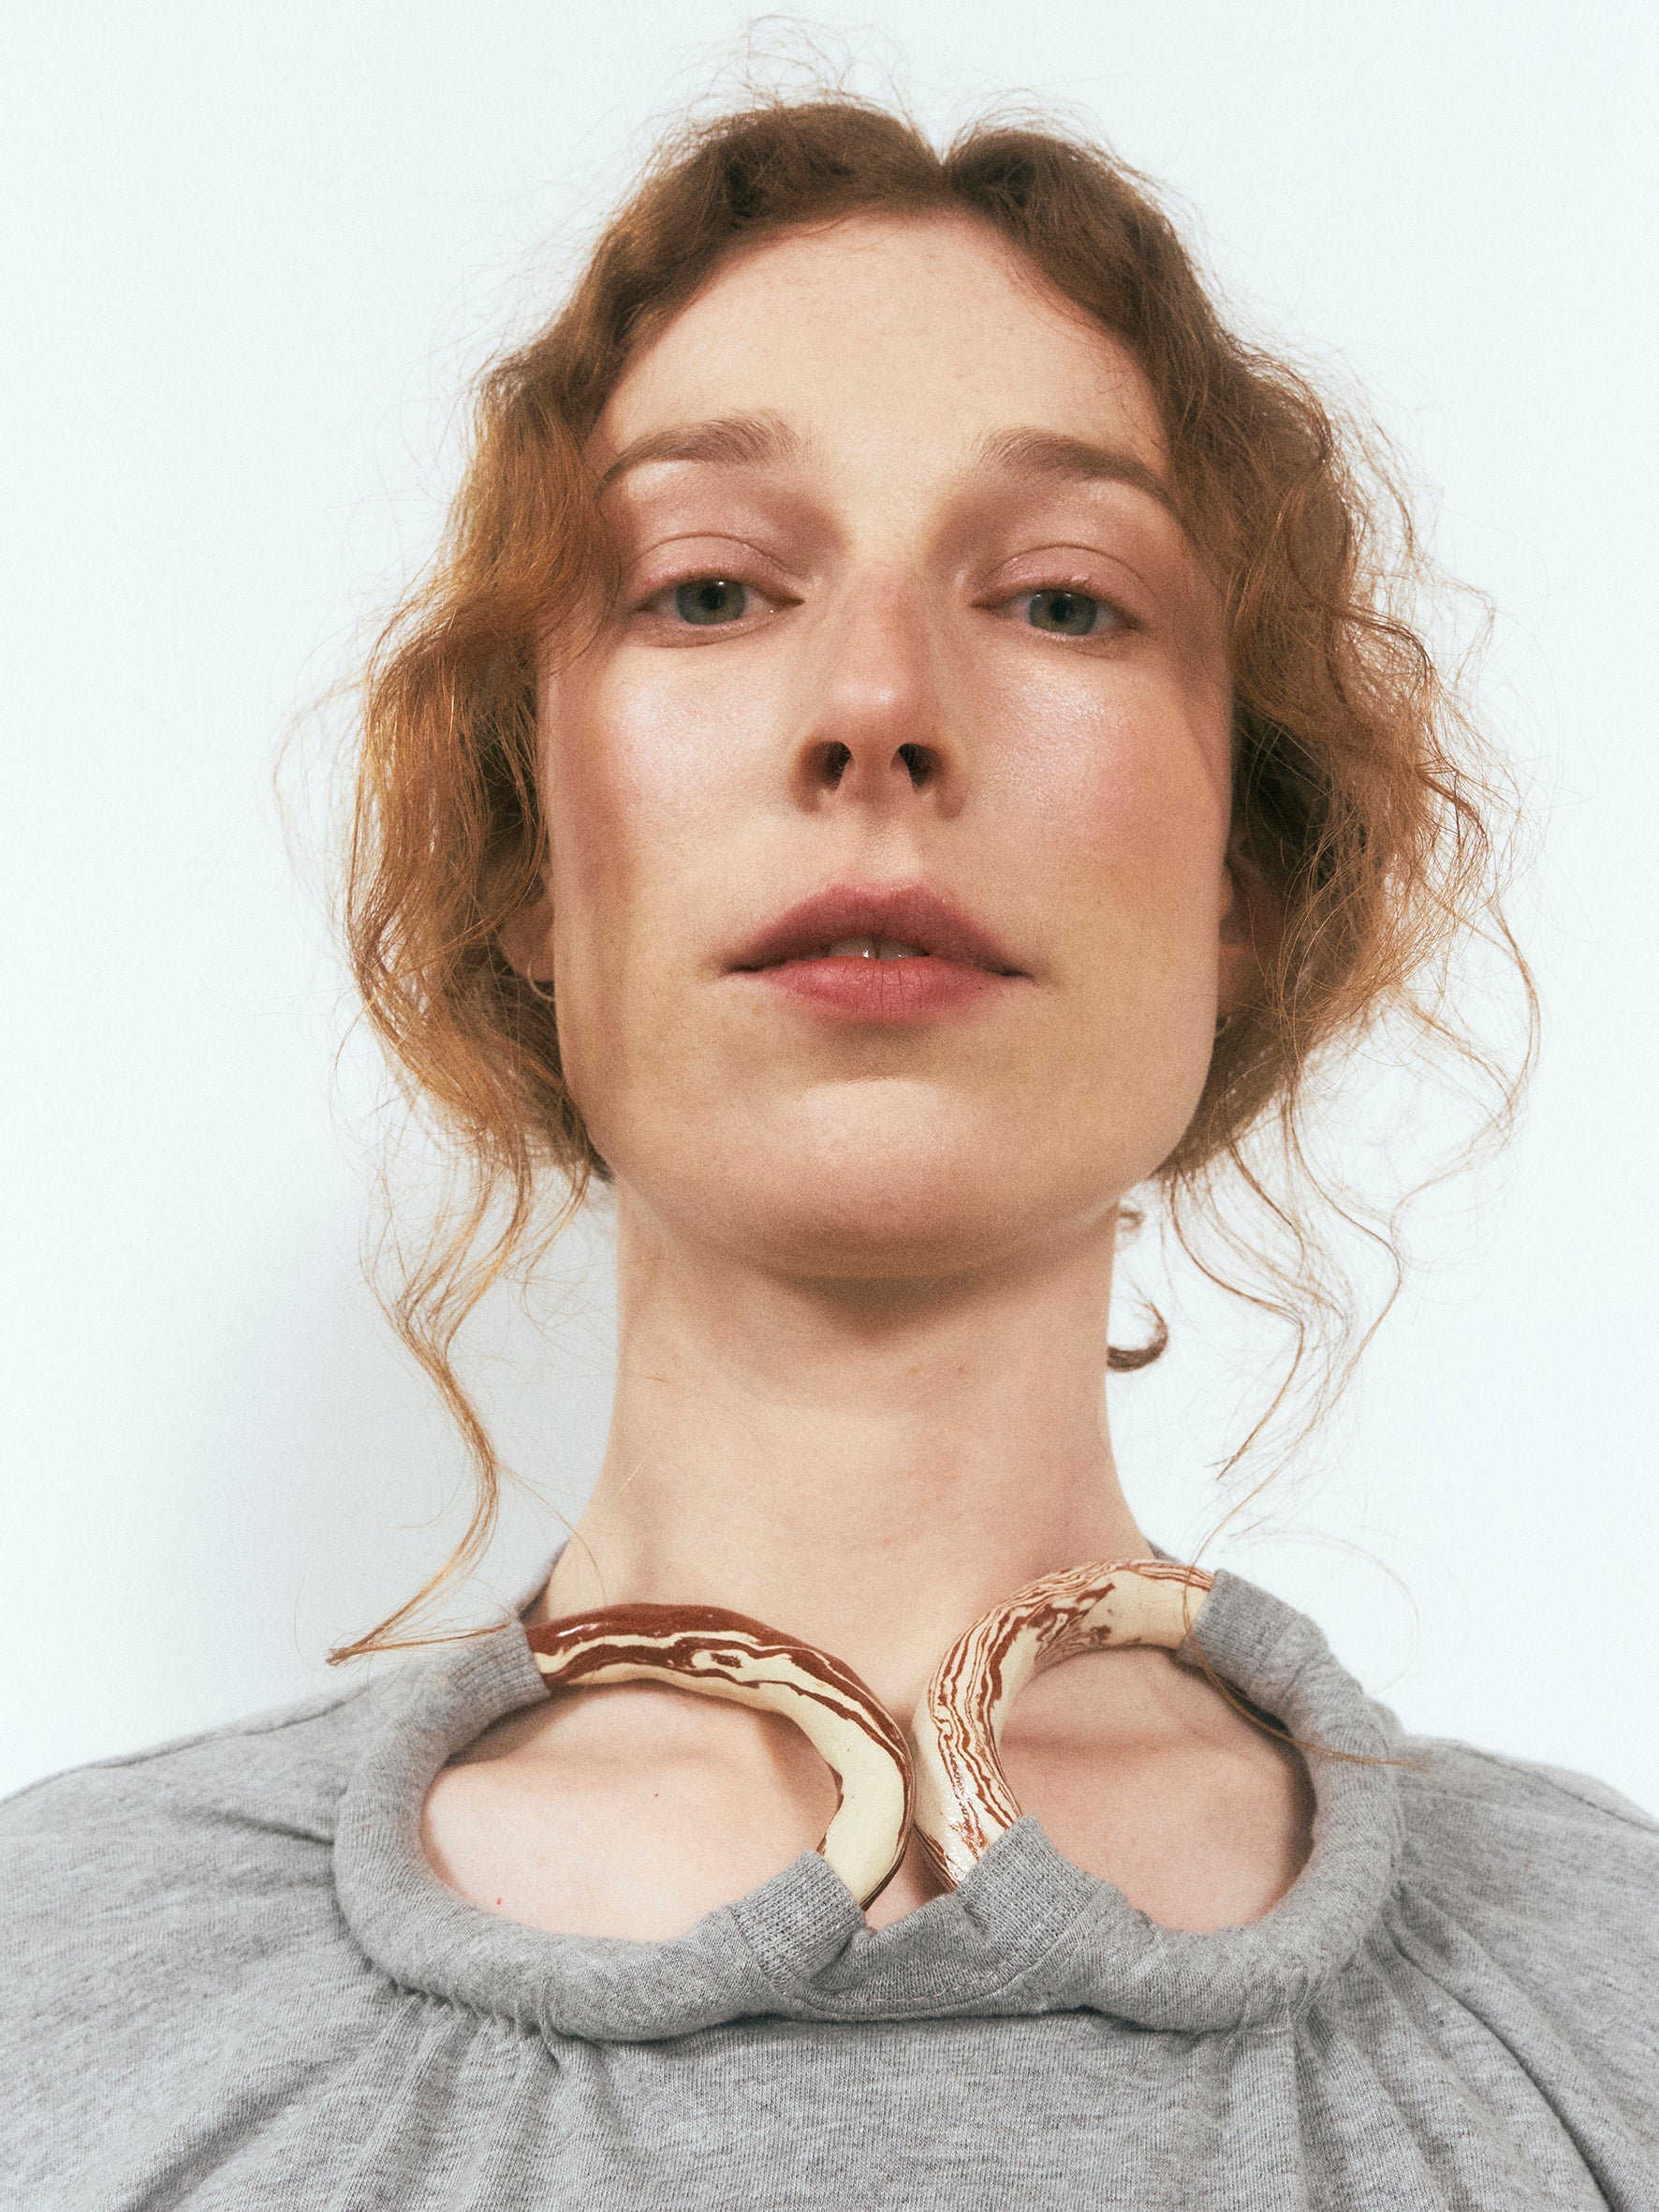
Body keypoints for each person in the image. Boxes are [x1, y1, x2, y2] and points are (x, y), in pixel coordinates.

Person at [3, 96, 1654, 2210]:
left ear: (1246, 869)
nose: (877, 705)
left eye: (1061, 601)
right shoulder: (55, 2005)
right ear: (526, 852)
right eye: (707, 589)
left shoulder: (1612, 2005)